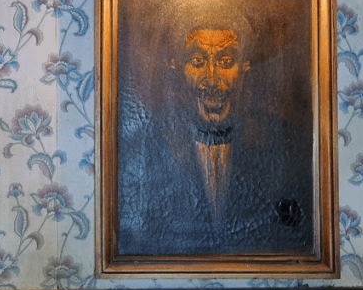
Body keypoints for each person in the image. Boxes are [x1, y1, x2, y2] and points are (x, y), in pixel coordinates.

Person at [117, 25, 312, 257]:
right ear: (178, 66)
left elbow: (294, 235)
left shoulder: (282, 143)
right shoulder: (147, 143)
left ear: (245, 65)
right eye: (198, 62)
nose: (211, 79)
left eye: (226, 62)